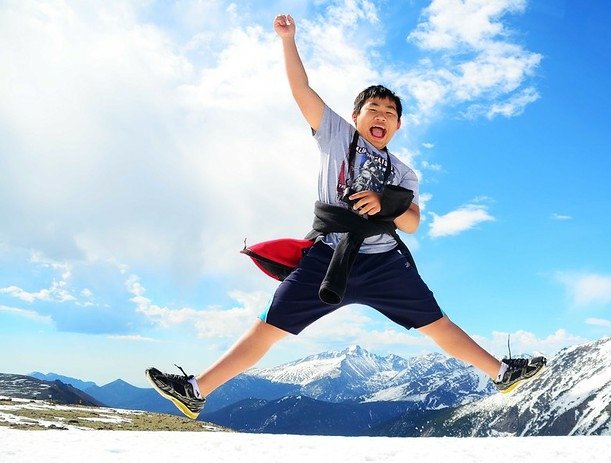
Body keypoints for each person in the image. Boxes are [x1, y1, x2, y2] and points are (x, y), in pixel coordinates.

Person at [146, 14, 546, 420]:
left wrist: (384, 204)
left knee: (437, 323)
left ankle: (501, 372)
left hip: (383, 263)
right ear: (355, 117)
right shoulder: (336, 135)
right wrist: (288, 40)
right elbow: (301, 89)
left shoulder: (405, 173)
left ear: (398, 125)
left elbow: (412, 222)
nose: (382, 116)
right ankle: (195, 389)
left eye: (390, 113)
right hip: (327, 257)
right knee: (268, 327)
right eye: (373, 109)